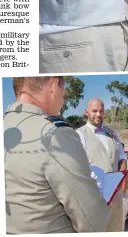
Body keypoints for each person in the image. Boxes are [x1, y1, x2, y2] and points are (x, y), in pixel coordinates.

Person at [4, 77, 109, 233]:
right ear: (54, 85)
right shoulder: (54, 134)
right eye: (63, 87)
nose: (63, 96)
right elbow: (92, 221)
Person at [77, 99, 127, 232]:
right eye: (95, 111)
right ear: (86, 112)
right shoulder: (79, 135)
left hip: (116, 195)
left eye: (101, 111)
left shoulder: (111, 133)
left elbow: (122, 158)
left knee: (116, 228)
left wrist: (122, 185)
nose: (98, 114)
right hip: (95, 196)